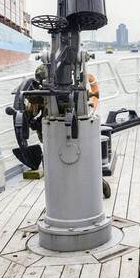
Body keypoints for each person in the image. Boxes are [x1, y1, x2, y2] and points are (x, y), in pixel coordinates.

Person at [26, 64, 111, 198]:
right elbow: (30, 110)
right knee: (57, 164)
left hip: (69, 130)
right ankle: (60, 195)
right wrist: (32, 120)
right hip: (52, 133)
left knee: (79, 162)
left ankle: (99, 185)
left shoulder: (68, 91)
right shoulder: (39, 95)